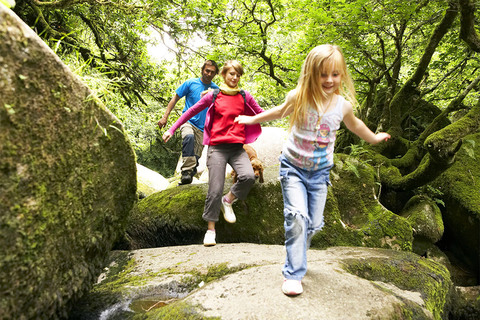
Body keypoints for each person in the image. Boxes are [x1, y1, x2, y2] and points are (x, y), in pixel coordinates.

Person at [235, 44, 391, 296]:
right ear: (311, 73)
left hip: (319, 174)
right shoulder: (299, 97)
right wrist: (251, 119)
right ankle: (293, 273)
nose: (329, 80)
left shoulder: (343, 106)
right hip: (293, 168)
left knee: (314, 224)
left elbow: (356, 125)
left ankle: (298, 251)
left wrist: (373, 138)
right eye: (323, 74)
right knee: (296, 217)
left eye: (335, 74)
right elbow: (276, 112)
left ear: (342, 75)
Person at [163, 60, 264, 246]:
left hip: (237, 148)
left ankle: (229, 200)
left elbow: (261, 114)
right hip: (217, 148)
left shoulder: (244, 96)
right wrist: (171, 129)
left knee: (249, 176)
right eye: (231, 74)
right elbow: (190, 111)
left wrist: (288, 111)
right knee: (214, 189)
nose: (234, 77)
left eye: (238, 75)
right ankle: (211, 230)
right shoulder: (214, 95)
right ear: (224, 75)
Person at [158, 60, 220, 185]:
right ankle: (186, 171)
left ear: (215, 74)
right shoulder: (191, 83)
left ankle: (187, 176)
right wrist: (165, 117)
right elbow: (175, 98)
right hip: (188, 122)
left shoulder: (216, 90)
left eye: (212, 72)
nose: (209, 74)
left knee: (195, 159)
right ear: (202, 70)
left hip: (203, 128)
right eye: (207, 70)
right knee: (188, 137)